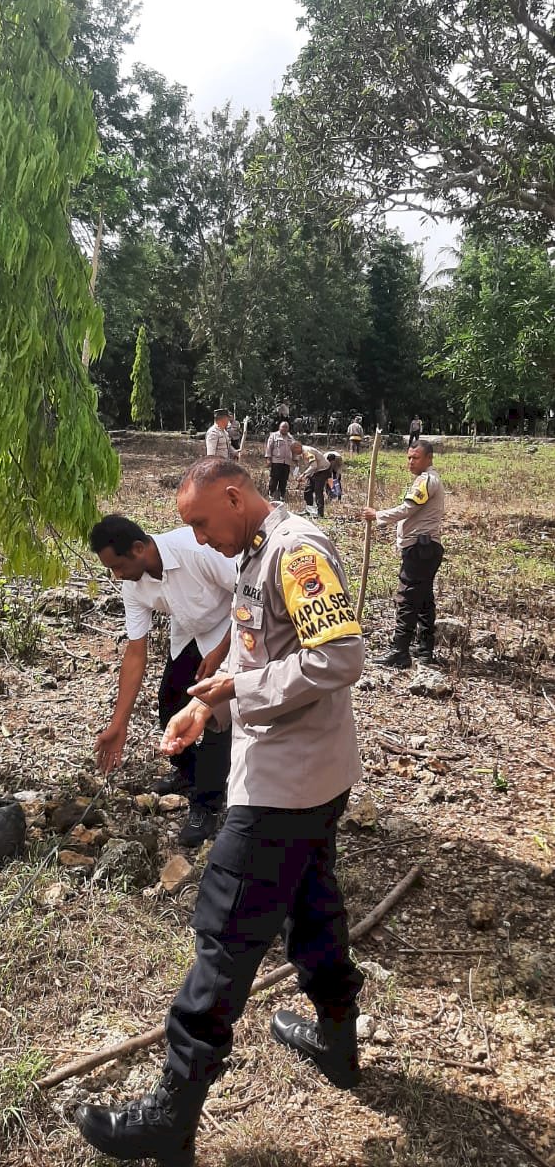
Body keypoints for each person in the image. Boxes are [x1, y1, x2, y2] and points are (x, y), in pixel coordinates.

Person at [76, 459, 365, 1164]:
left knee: (222, 936)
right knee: (313, 903)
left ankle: (171, 1112)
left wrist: (241, 687)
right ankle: (335, 1035)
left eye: (203, 521)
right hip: (311, 775)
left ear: (236, 495)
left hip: (283, 783)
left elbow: (341, 658)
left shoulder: (297, 551)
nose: (198, 538)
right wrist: (205, 705)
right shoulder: (257, 550)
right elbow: (250, 639)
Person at [89, 515, 237, 847]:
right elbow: (135, 652)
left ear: (139, 548)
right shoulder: (133, 585)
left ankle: (207, 804)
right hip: (190, 633)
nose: (117, 575)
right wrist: (119, 724)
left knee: (212, 717)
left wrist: (221, 651)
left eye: (118, 565)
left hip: (233, 628)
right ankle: (188, 773)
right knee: (170, 704)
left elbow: (249, 597)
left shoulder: (195, 550)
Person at [361, 440, 445, 668]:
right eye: (409, 457)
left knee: (407, 599)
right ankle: (424, 649)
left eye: (415, 458)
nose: (410, 462)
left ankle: (400, 651)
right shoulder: (426, 480)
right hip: (423, 549)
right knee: (424, 599)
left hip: (420, 549)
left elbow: (408, 509)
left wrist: (377, 515)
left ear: (428, 458)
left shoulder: (427, 480)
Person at [291, 440, 331, 518]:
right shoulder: (302, 453)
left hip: (322, 470)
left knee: (318, 491)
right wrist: (303, 475)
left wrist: (303, 475)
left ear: (298, 447)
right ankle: (309, 510)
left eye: (294, 451)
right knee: (307, 490)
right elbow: (307, 466)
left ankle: (320, 513)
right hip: (314, 471)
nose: (294, 453)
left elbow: (313, 466)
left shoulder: (308, 451)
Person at [265, 420, 294, 500]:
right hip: (276, 461)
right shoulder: (274, 435)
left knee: (284, 480)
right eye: (283, 427)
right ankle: (271, 494)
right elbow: (269, 447)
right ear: (279, 427)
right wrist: (268, 458)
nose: (285, 429)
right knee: (274, 478)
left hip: (287, 462)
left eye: (286, 427)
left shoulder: (290, 437)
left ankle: (282, 496)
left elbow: (294, 449)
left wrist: (295, 460)